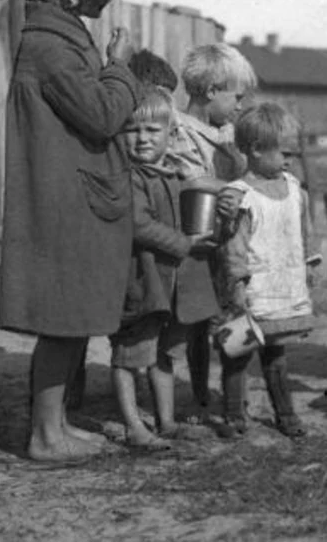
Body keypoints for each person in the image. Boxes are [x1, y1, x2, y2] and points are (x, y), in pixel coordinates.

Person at [0, 0, 139, 462]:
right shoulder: (52, 50)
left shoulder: (58, 39)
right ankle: (46, 436)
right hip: (65, 204)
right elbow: (102, 116)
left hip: (73, 196)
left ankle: (54, 428)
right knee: (62, 322)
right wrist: (119, 69)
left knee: (71, 318)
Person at [110, 87, 214, 448]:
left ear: (171, 135)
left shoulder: (172, 175)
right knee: (130, 355)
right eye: (132, 130)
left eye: (152, 131)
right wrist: (185, 243)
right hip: (140, 284)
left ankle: (166, 421)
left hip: (169, 287)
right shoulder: (130, 177)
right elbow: (138, 225)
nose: (141, 139)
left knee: (164, 354)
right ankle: (133, 426)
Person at [213, 103, 322, 438]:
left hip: (282, 288)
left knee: (276, 356)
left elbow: (304, 230)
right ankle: (234, 415)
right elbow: (234, 246)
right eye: (284, 153)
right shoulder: (241, 196)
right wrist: (238, 285)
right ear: (257, 150)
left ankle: (285, 413)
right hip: (252, 290)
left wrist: (310, 262)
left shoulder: (294, 189)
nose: (290, 161)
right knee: (237, 354)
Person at [161, 43, 254, 424]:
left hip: (230, 239)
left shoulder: (229, 132)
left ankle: (233, 398)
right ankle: (199, 390)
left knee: (237, 314)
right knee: (196, 322)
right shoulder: (179, 130)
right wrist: (239, 189)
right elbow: (191, 177)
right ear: (211, 90)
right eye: (237, 96)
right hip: (199, 238)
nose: (240, 105)